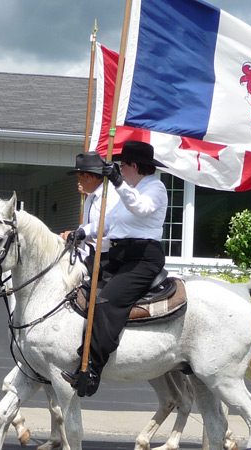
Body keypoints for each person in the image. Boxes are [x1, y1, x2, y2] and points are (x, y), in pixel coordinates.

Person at [61, 140, 168, 397]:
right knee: (79, 294)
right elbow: (106, 223)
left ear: (133, 166)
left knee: (106, 302)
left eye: (122, 165)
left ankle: (92, 370)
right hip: (120, 256)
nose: (119, 169)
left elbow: (140, 208)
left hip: (143, 258)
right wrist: (81, 232)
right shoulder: (128, 188)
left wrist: (118, 182)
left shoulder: (155, 188)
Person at [59, 152, 119, 265]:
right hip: (89, 256)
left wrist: (78, 235)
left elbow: (108, 229)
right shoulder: (90, 198)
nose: (78, 182)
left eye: (79, 178)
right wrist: (74, 235)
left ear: (88, 177)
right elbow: (86, 226)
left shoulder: (111, 196)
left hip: (107, 259)